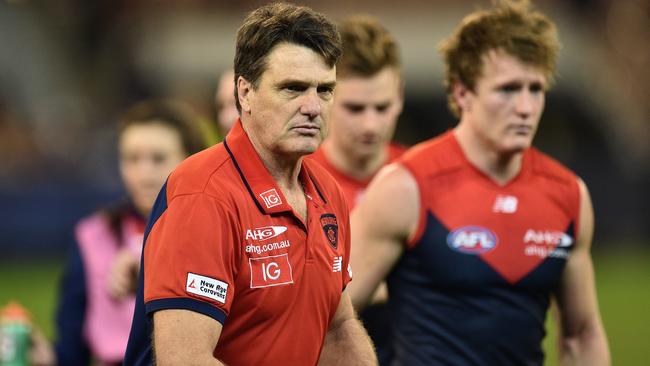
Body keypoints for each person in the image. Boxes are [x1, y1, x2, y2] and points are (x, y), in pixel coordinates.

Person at [347, 1, 610, 365]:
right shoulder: (406, 187)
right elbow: (333, 320)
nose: (525, 107)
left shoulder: (569, 195)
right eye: (507, 89)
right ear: (462, 93)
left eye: (535, 89)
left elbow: (582, 336)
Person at [124, 3, 377, 365]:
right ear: (245, 92)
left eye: (324, 90)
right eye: (293, 88)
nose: (313, 107)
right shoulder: (203, 194)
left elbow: (338, 327)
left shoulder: (326, 192)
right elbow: (186, 360)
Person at [55, 100, 204, 365]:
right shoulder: (93, 236)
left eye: (158, 159)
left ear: (191, 160)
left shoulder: (214, 228)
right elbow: (70, 353)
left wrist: (149, 272)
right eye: (132, 159)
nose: (144, 174)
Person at [308, 15, 405, 365]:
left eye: (382, 108)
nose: (370, 124)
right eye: (355, 108)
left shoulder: (421, 180)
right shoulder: (294, 181)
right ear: (327, 97)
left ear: (401, 97)